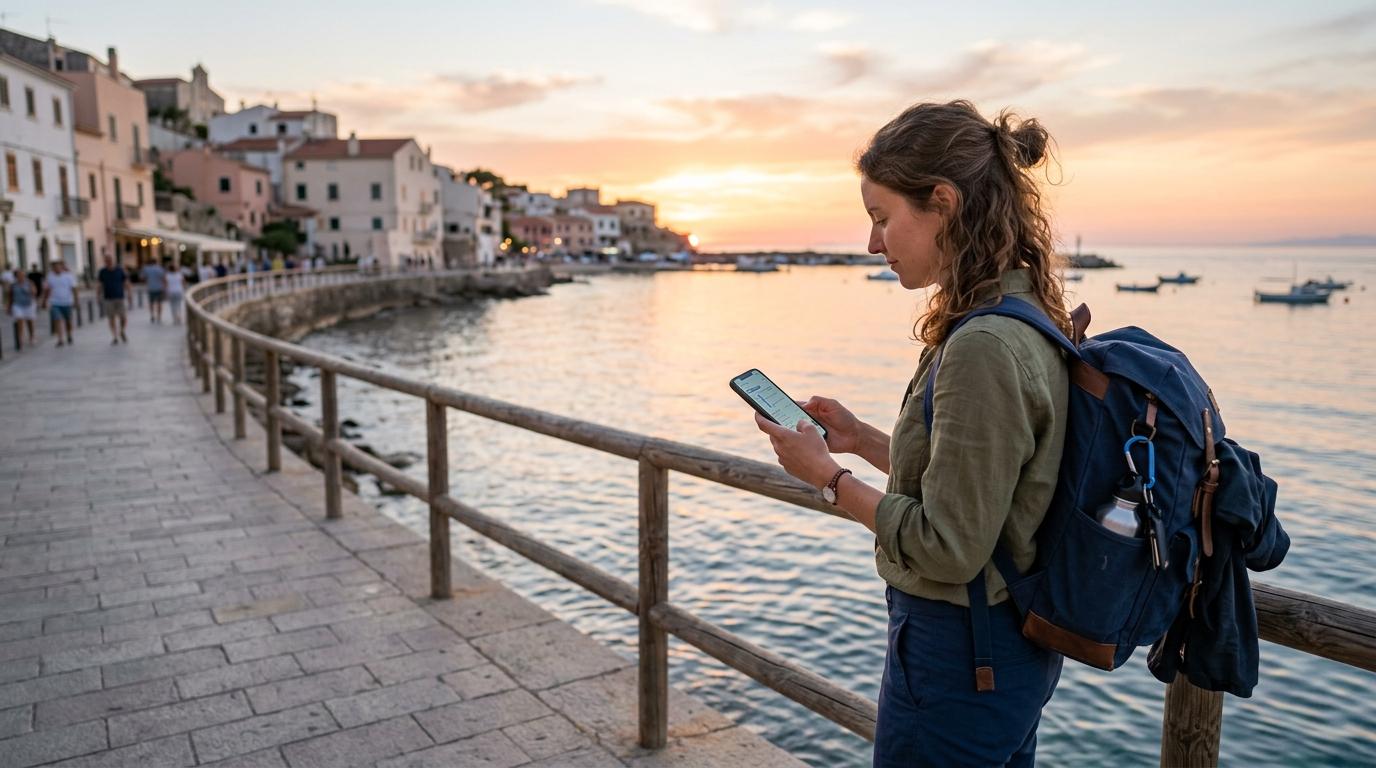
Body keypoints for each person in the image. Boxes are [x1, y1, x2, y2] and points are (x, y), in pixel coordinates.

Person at [753, 100, 1071, 768]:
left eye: (881, 218)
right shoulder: (1016, 312)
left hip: (962, 651)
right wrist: (861, 440)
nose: (873, 244)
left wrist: (828, 480)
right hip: (1000, 647)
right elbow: (977, 487)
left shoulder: (983, 343)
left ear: (944, 203)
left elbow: (950, 544)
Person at [43, 261, 78, 347]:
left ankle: (69, 335)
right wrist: (44, 301)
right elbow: (47, 290)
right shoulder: (50, 277)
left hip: (67, 302)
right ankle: (60, 339)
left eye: (58, 267)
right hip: (55, 302)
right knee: (57, 320)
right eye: (54, 267)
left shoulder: (68, 276)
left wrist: (76, 301)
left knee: (68, 321)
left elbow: (74, 288)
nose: (56, 269)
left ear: (61, 267)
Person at [97, 255, 129, 344]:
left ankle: (122, 331)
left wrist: (129, 293)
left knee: (123, 317)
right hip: (108, 298)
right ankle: (115, 336)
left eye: (109, 260)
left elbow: (126, 282)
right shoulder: (102, 272)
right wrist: (98, 296)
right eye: (106, 260)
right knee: (111, 318)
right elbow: (99, 284)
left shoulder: (120, 270)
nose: (108, 262)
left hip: (119, 297)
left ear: (113, 260)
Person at [6, 269, 38, 348]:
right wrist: (9, 307)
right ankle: (21, 338)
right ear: (16, 276)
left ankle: (32, 336)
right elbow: (10, 296)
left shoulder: (29, 283)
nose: (20, 277)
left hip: (29, 304)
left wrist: (31, 289)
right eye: (19, 275)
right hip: (17, 305)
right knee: (19, 319)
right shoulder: (13, 285)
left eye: (22, 275)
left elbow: (34, 292)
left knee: (29, 321)